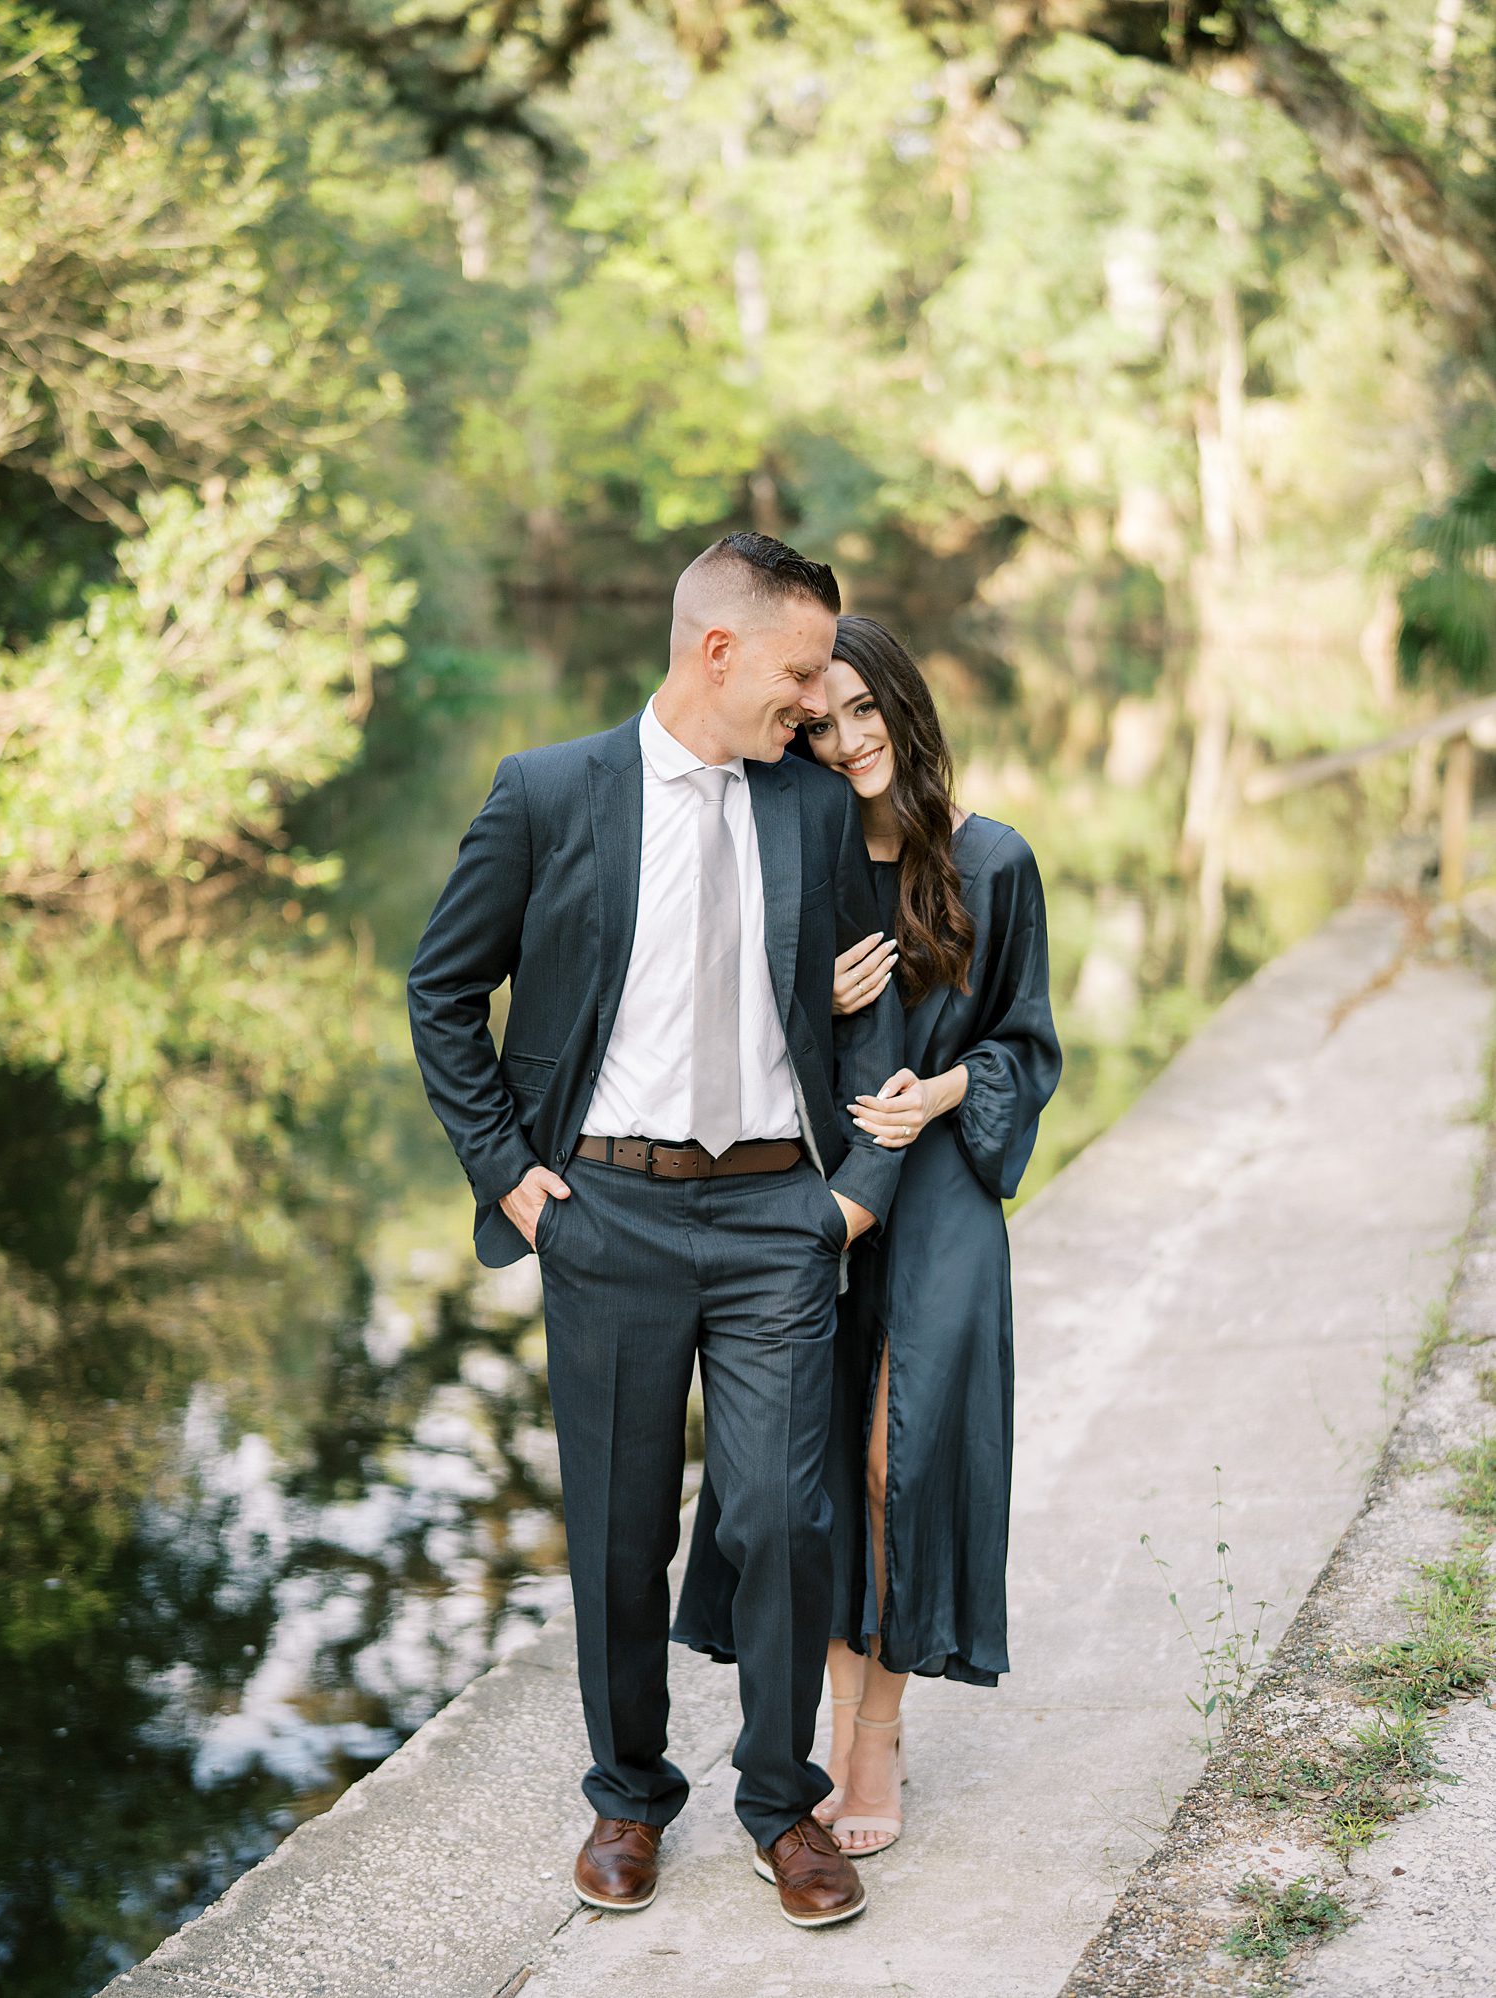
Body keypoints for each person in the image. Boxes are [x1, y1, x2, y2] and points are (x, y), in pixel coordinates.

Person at [406, 536, 906, 1928]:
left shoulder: (812, 809)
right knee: (621, 1531)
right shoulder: (551, 792)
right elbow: (442, 992)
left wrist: (855, 1183)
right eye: (804, 671)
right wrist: (507, 1167)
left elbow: (874, 1012)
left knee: (784, 1514)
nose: (817, 700)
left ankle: (779, 1800)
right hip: (604, 1214)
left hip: (774, 1216)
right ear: (719, 651)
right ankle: (628, 1795)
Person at [674, 614, 1061, 1854]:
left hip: (943, 1190)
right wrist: (810, 989)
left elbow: (1027, 1044)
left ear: (903, 707)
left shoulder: (993, 865)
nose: (847, 741)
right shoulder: (799, 858)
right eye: (822, 722)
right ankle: (838, 1725)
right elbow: (723, 1026)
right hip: (816, 1189)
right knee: (819, 1460)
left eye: (864, 713)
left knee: (908, 1454)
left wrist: (944, 1090)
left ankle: (877, 1742)